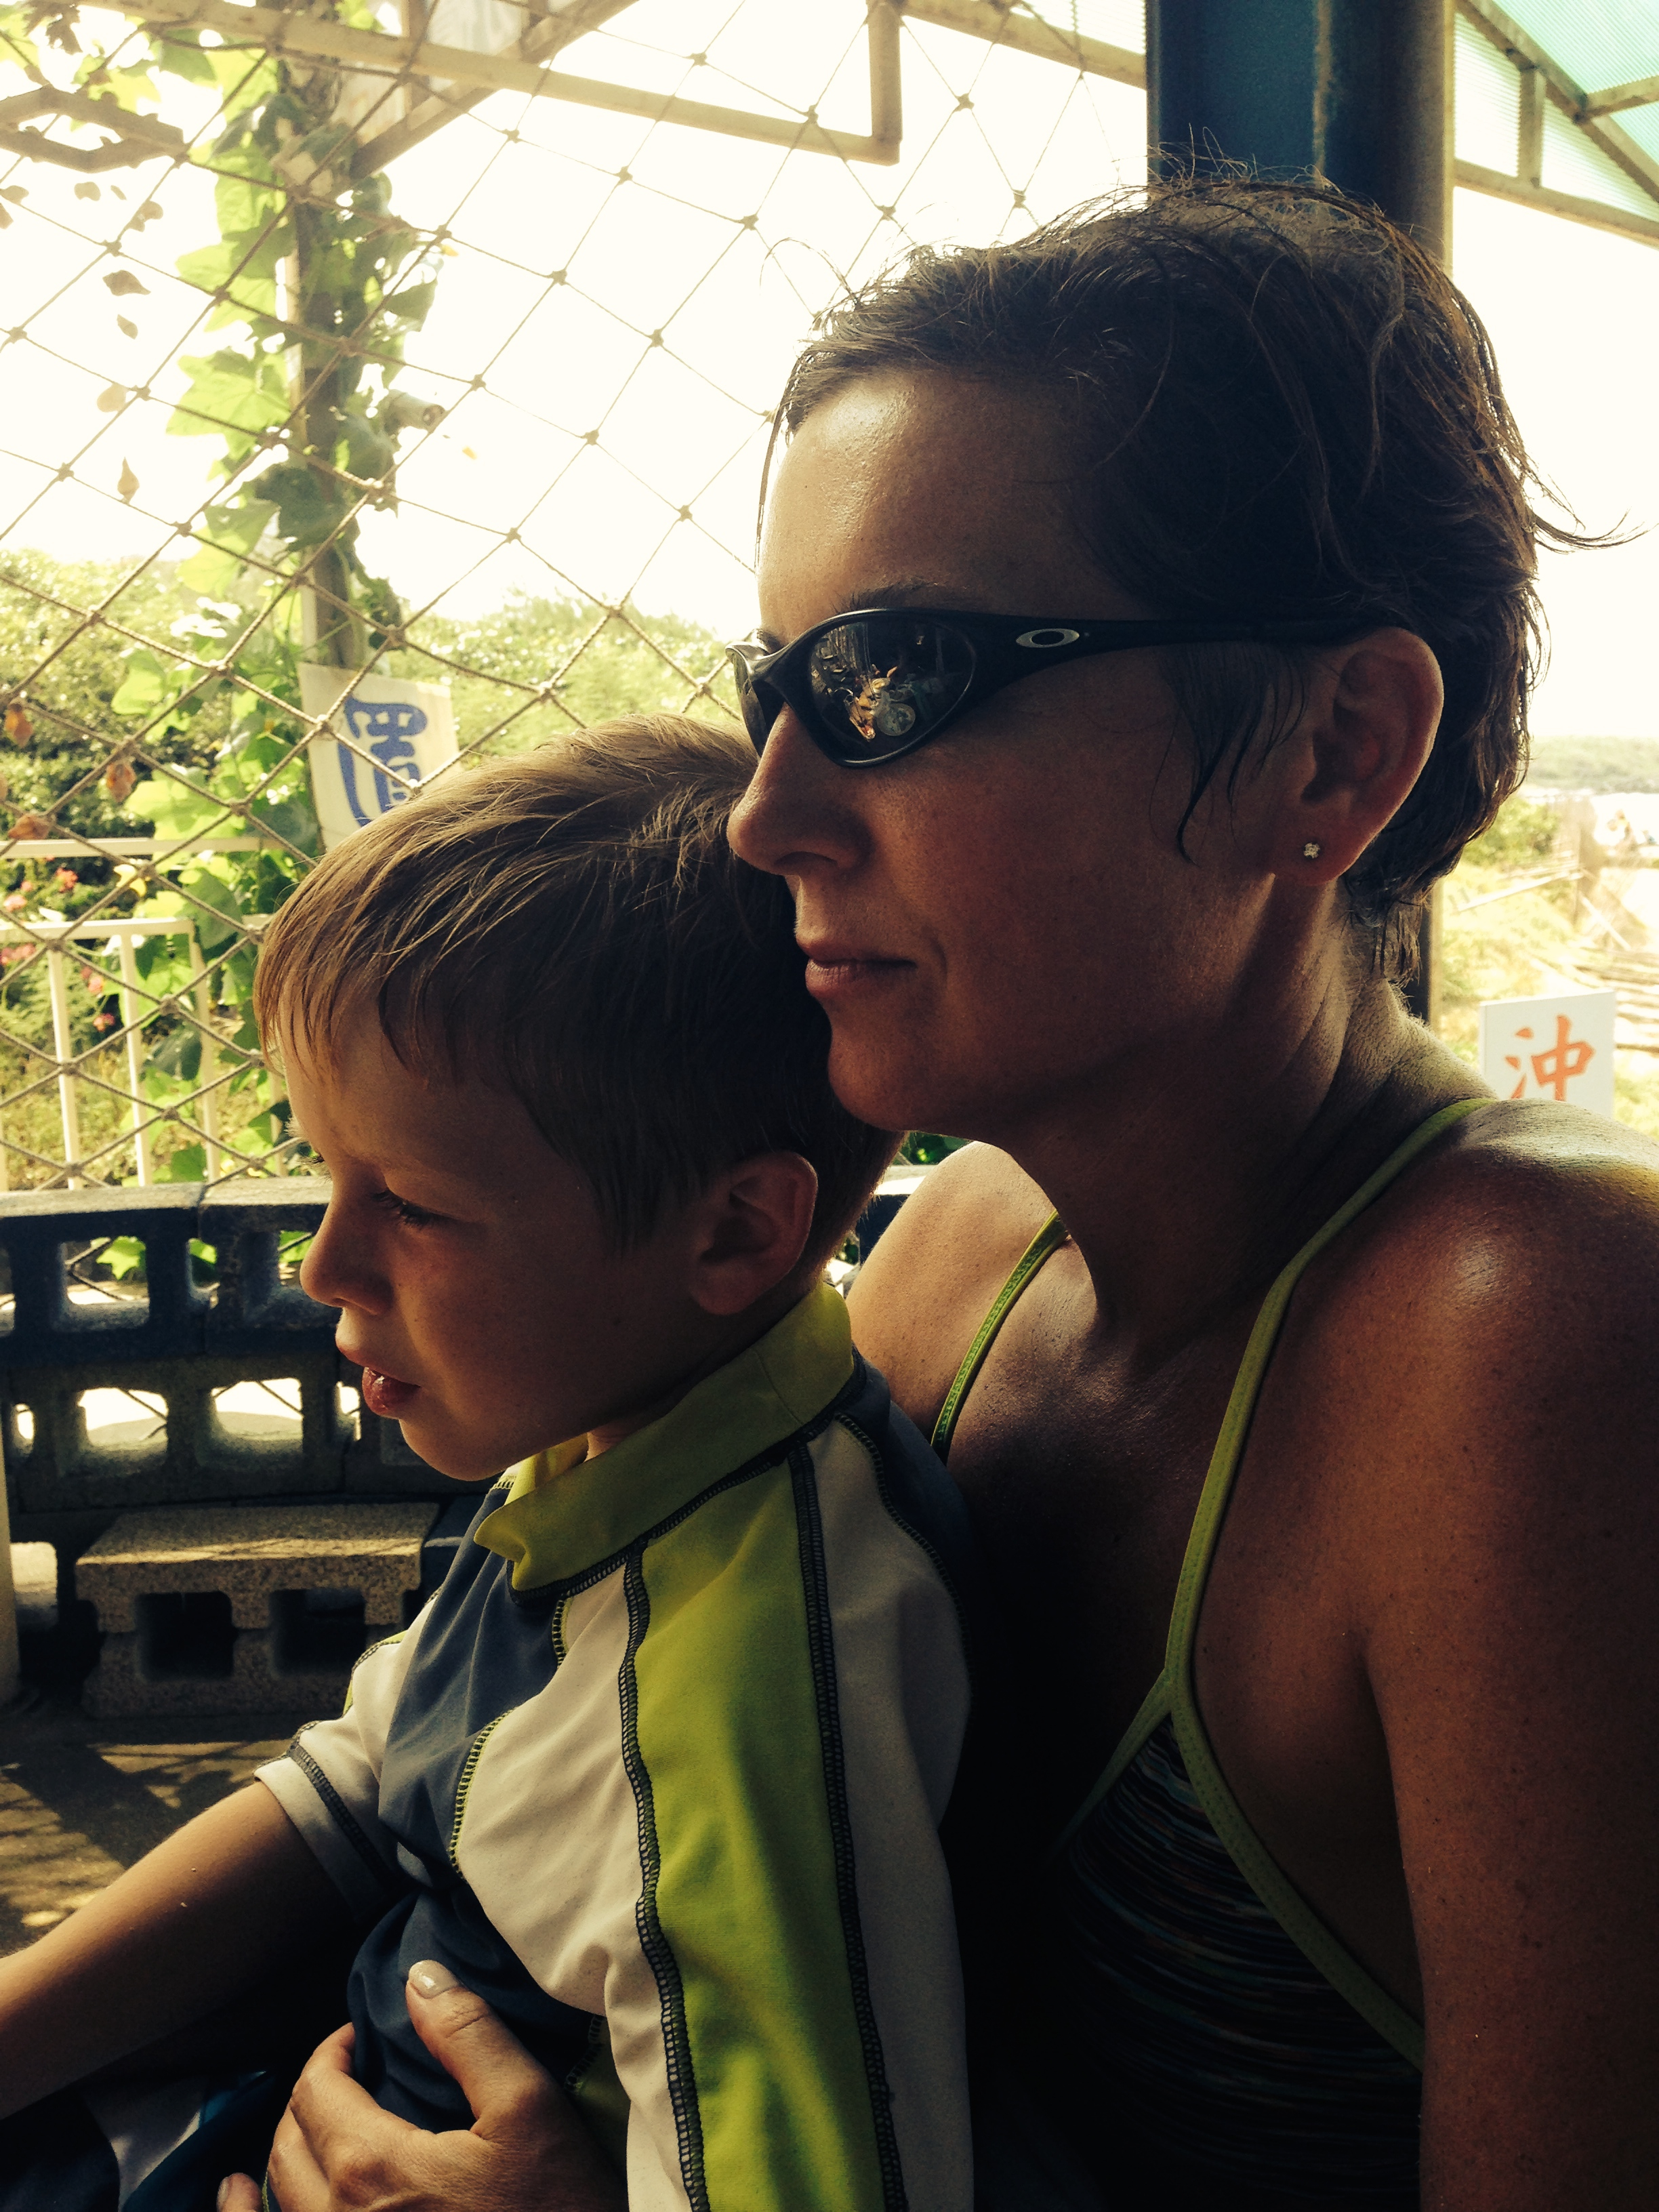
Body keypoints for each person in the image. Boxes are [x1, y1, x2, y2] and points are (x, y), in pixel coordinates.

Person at [253, 179, 1659, 2212]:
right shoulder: (964, 1257)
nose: (770, 815)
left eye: (898, 680)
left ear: (1331, 752)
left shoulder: (1537, 1340)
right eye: (776, 687)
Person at [0, 716, 977, 2212]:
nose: (325, 1265)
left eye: (412, 1204)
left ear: (734, 1233)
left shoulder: (743, 1711)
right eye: (327, 1174)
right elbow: (369, 1784)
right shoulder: (633, 1451)